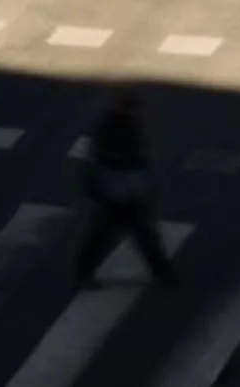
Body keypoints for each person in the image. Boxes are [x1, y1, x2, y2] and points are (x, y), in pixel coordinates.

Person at [73, 90, 174, 286]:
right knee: (137, 233)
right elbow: (126, 160)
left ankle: (83, 273)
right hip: (120, 190)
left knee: (114, 233)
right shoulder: (118, 127)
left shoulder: (117, 125)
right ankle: (163, 273)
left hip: (118, 190)